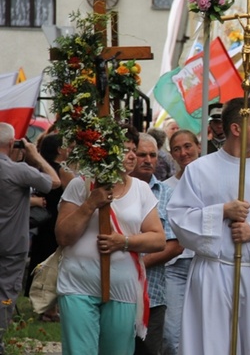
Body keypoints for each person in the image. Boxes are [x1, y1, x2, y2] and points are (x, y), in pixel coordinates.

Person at [167, 97, 250, 355]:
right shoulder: (199, 170)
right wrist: (221, 211)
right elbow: (179, 217)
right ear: (236, 128)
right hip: (213, 273)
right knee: (211, 344)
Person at [55, 125, 166, 355]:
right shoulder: (81, 185)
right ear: (105, 153)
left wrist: (123, 242)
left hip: (122, 287)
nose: (133, 156)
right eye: (125, 150)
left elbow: (158, 240)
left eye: (134, 149)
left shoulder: (142, 190)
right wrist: (90, 204)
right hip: (78, 284)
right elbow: (63, 236)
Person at [0, 123, 60, 353]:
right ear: (11, 144)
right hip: (12, 243)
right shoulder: (18, 171)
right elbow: (54, 181)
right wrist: (35, 156)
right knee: (6, 293)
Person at [130, 133, 182, 355]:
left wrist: (136, 266)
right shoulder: (111, 191)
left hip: (152, 295)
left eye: (153, 155)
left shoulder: (168, 194)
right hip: (113, 290)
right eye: (142, 154)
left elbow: (175, 245)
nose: (148, 160)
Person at [25, 133, 75, 322]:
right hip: (55, 220)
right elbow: (74, 191)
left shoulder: (42, 168)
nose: (70, 150)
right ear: (59, 150)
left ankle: (43, 305)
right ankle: (50, 309)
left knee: (42, 261)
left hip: (43, 222)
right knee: (53, 262)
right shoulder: (61, 170)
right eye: (67, 146)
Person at [161, 129, 201, 355]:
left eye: (188, 146)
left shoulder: (212, 180)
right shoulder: (165, 187)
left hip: (205, 263)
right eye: (177, 149)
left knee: (203, 329)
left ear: (198, 147)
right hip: (175, 267)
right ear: (171, 154)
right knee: (172, 335)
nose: (183, 152)